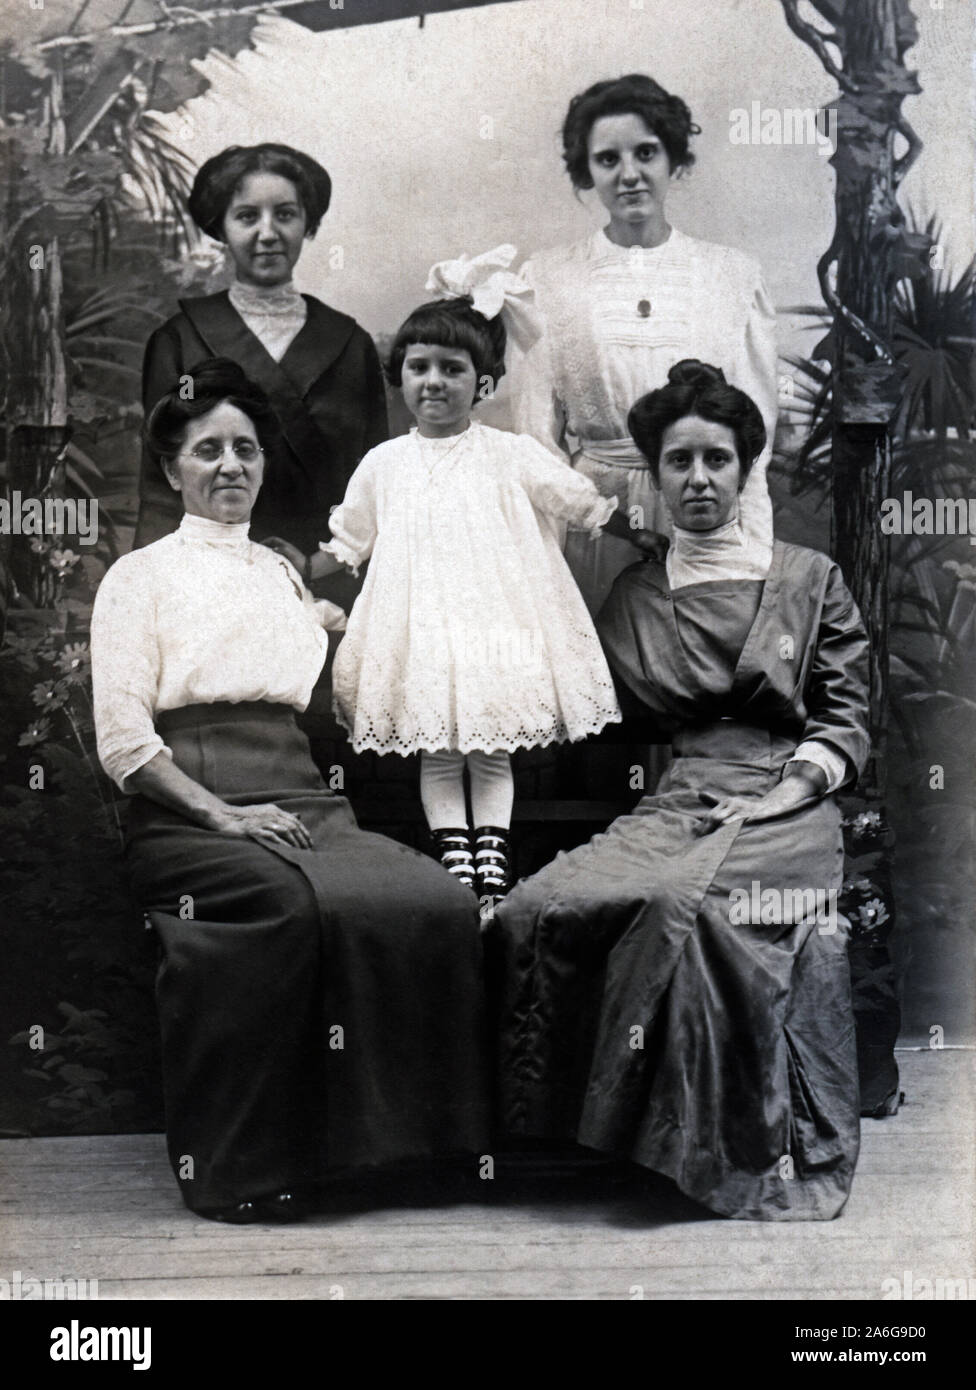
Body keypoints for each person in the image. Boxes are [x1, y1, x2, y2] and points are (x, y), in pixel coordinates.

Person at [91, 358, 487, 1223]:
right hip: (186, 812)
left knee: (437, 902)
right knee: (288, 911)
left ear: (264, 463)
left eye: (245, 448)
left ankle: (394, 1154)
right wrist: (224, 814)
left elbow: (335, 673)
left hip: (300, 799)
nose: (230, 465)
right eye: (207, 451)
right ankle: (244, 1167)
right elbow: (124, 745)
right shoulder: (139, 579)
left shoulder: (278, 572)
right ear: (172, 469)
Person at [494, 361, 870, 1221]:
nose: (698, 479)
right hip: (682, 798)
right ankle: (584, 1140)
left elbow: (847, 716)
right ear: (654, 477)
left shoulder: (807, 579)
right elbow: (591, 704)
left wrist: (786, 791)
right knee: (537, 907)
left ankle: (702, 1152)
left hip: (790, 798)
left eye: (717, 460)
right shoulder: (637, 594)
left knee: (685, 910)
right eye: (677, 463)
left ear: (746, 469)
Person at [283, 249, 659, 902]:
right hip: (421, 625)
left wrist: (634, 530)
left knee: (488, 744)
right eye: (418, 367)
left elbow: (575, 498)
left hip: (496, 629)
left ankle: (493, 851)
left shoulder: (510, 454)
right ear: (400, 376)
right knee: (438, 744)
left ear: (483, 386)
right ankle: (453, 851)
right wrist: (294, 565)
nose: (433, 381)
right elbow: (350, 540)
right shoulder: (385, 463)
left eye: (451, 369)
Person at [511, 74, 779, 617]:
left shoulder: (732, 275)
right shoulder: (547, 278)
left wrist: (751, 542)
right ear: (587, 170)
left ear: (674, 161)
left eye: (646, 153)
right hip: (597, 525)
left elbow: (758, 440)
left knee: (706, 668)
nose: (629, 174)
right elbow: (535, 439)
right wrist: (582, 523)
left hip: (707, 512)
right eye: (608, 159)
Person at [133, 142, 387, 613]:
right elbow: (158, 488)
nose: (267, 233)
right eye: (247, 217)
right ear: (222, 229)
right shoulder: (180, 339)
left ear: (308, 224)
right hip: (210, 583)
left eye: (285, 215)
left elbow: (378, 487)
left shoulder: (350, 343)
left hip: (330, 582)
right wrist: (153, 598)